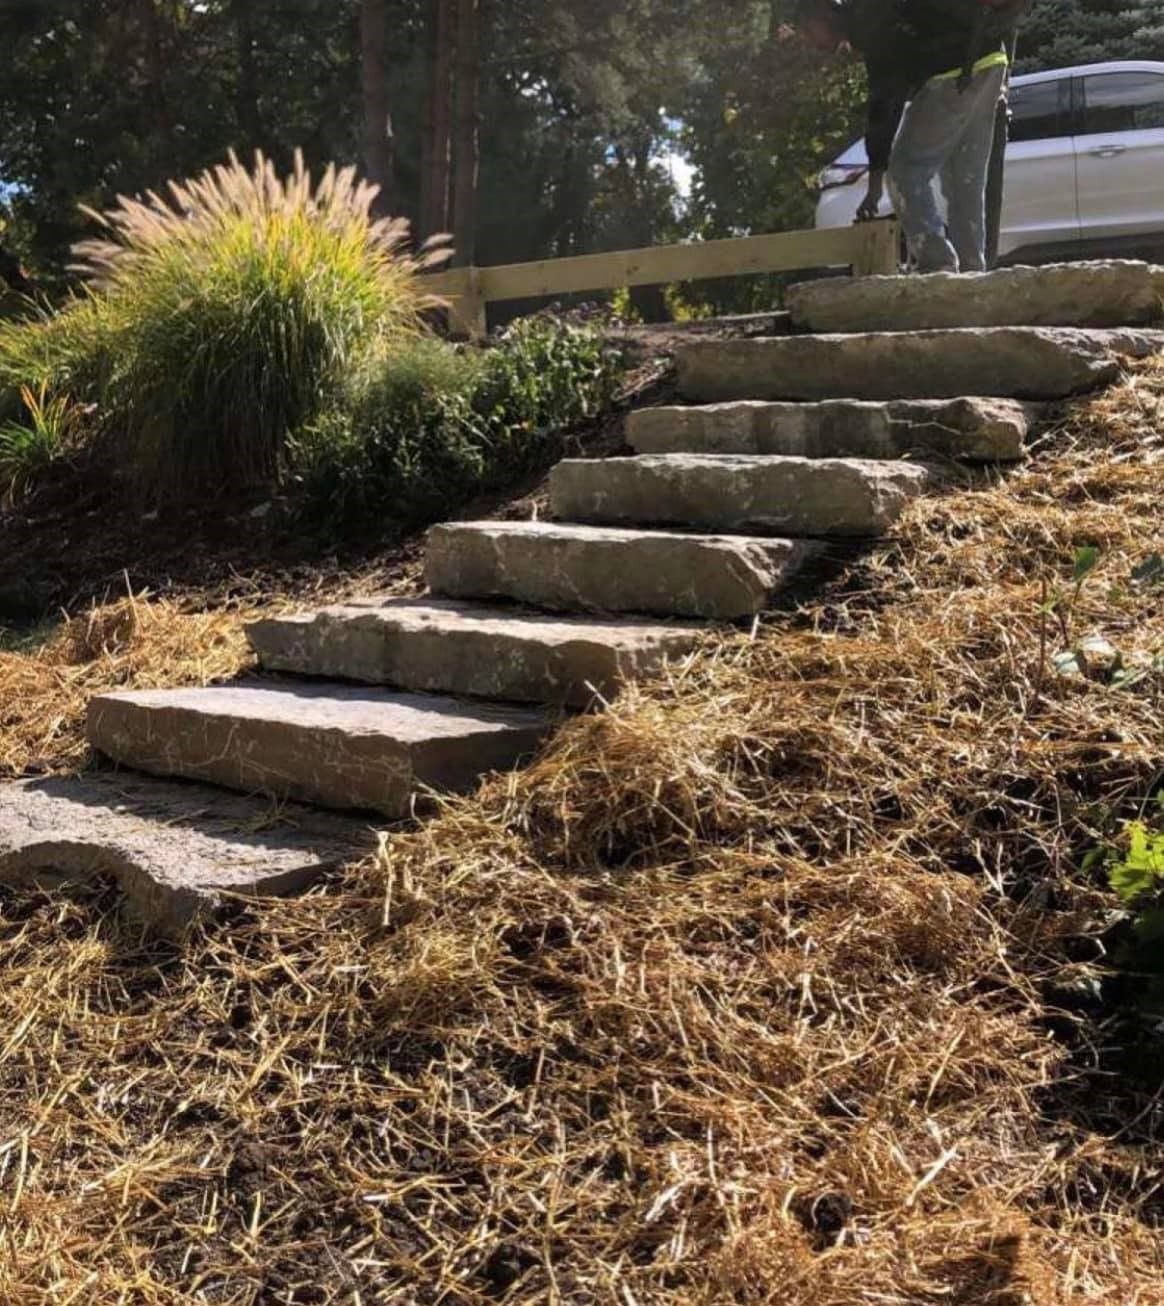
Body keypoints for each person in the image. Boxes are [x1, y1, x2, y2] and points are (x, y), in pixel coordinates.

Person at [797, 0, 1029, 273]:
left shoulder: (870, 20)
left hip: (953, 72)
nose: (809, 41)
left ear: (824, 15)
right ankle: (971, 272)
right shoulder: (874, 14)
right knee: (965, 181)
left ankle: (937, 263)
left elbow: (885, 103)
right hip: (990, 63)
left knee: (905, 171)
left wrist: (875, 183)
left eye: (808, 31)